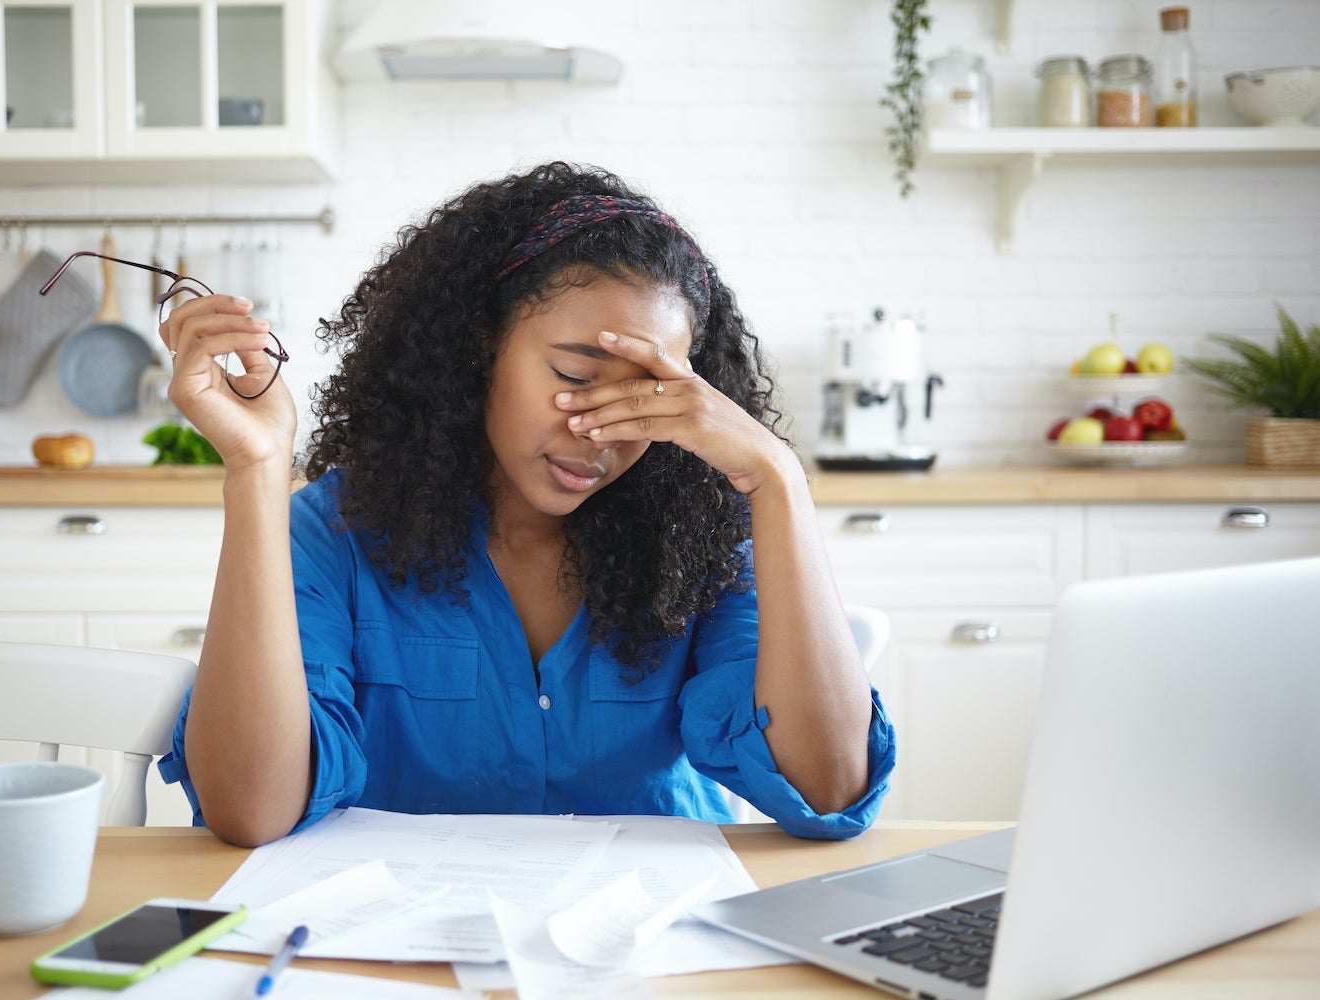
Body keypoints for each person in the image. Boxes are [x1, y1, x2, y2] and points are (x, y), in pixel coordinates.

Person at [155, 161, 895, 848]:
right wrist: (255, 468)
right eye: (575, 373)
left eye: (649, 395)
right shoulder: (337, 532)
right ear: (484, 346)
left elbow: (827, 788)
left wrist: (779, 482)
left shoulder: (700, 532)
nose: (599, 429)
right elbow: (251, 811)